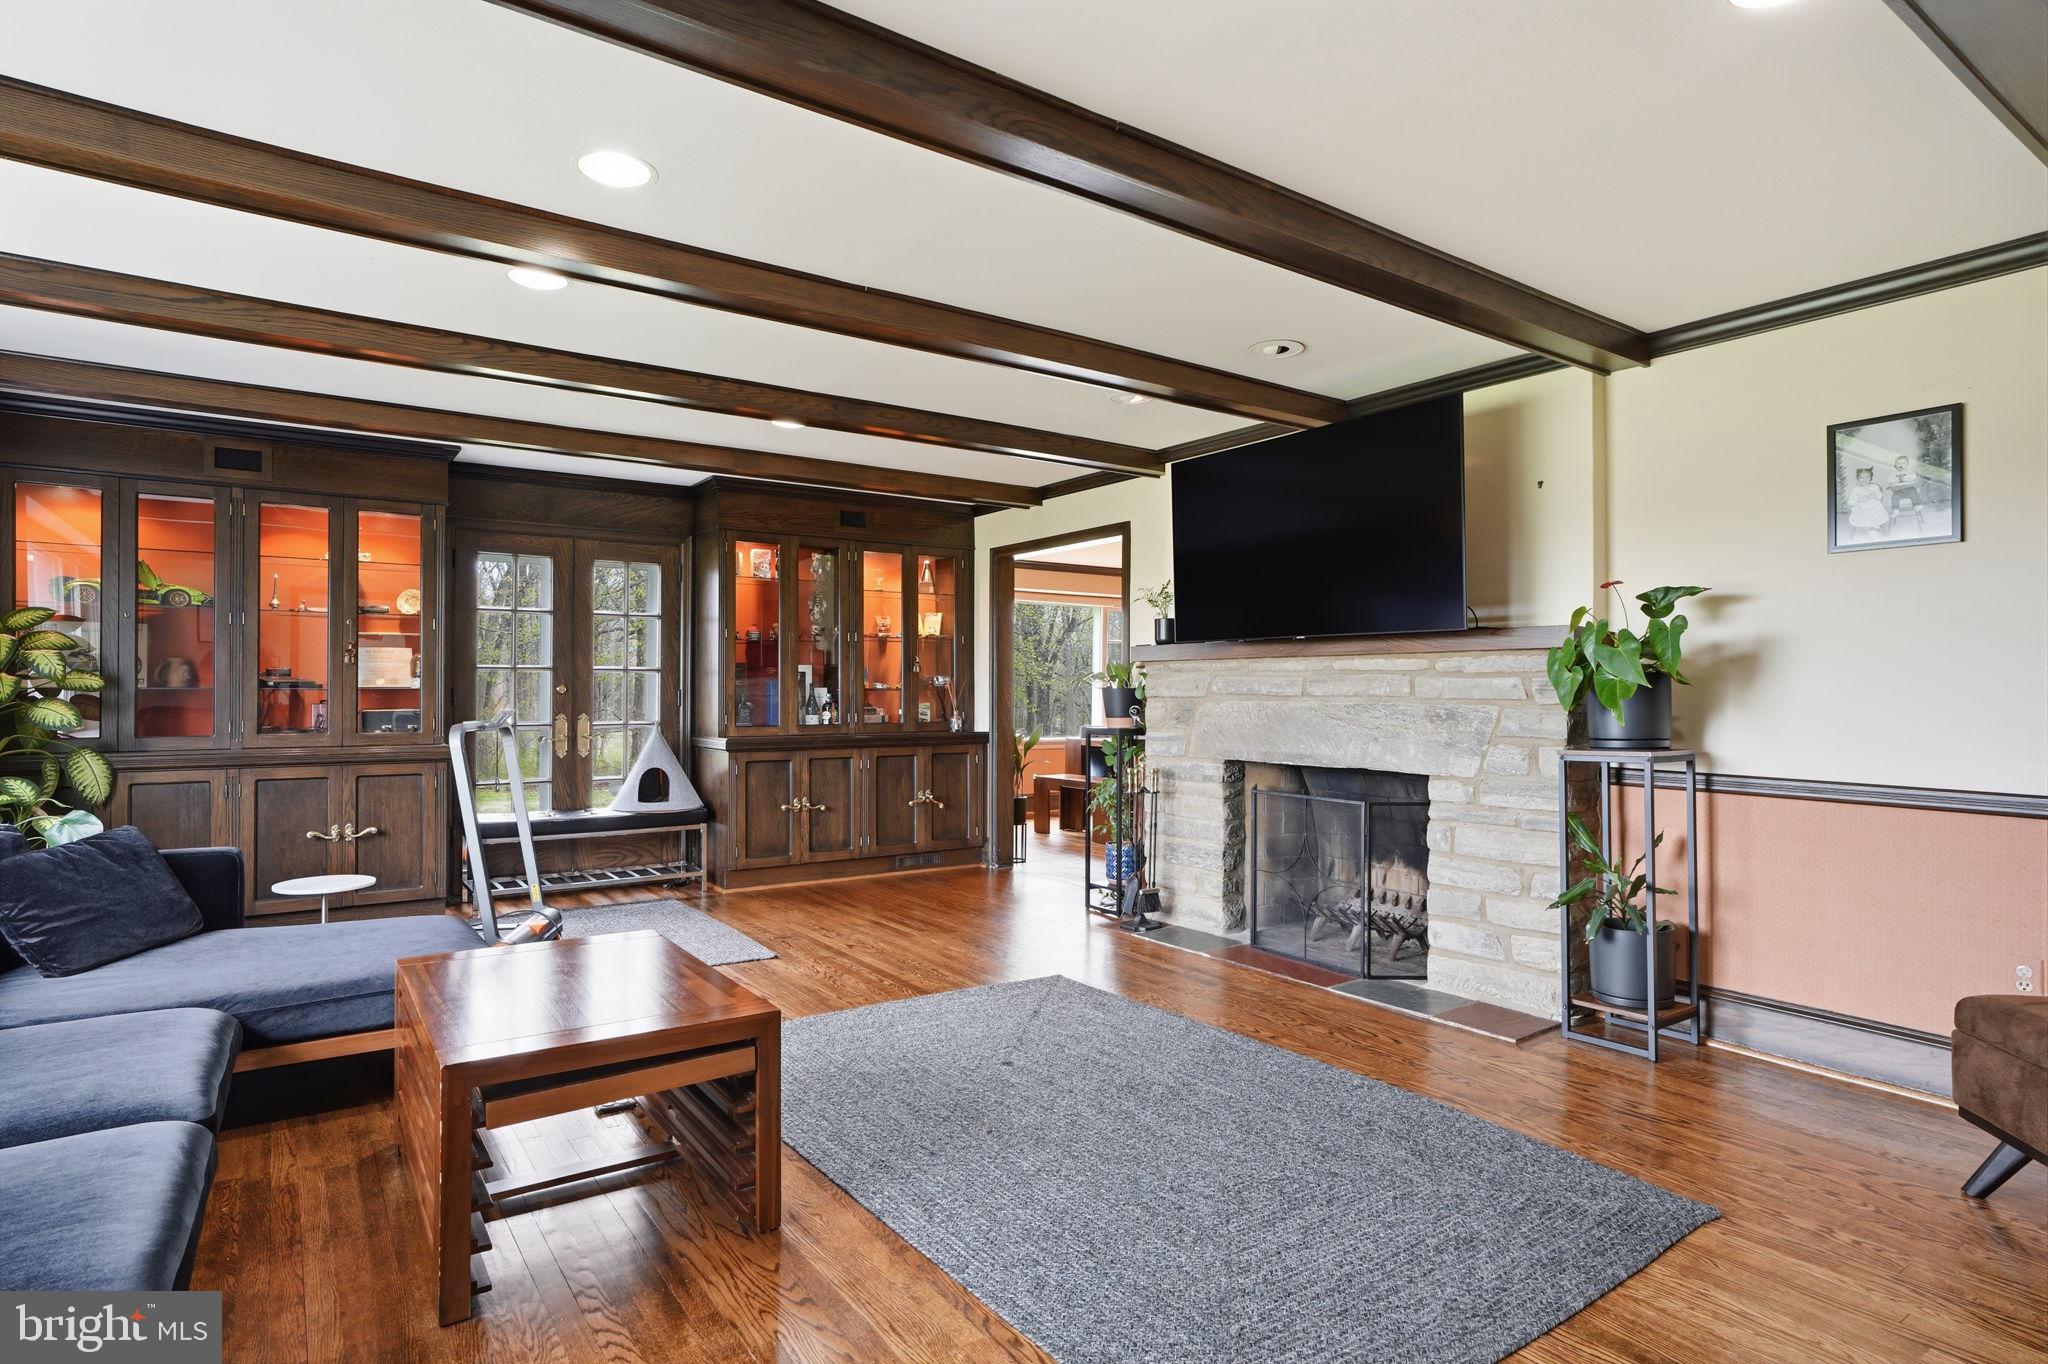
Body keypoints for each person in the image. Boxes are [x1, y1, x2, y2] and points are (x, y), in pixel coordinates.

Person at [1846, 466, 1888, 541]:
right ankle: (1869, 528)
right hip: (1861, 505)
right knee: (1863, 511)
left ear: (1870, 478)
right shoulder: (1856, 489)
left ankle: (1874, 526)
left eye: (1867, 477)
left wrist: (1874, 495)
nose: (1864, 479)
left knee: (1876, 509)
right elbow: (1851, 501)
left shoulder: (1874, 487)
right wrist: (1859, 500)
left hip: (1873, 504)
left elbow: (1879, 497)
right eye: (1861, 477)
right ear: (1858, 479)